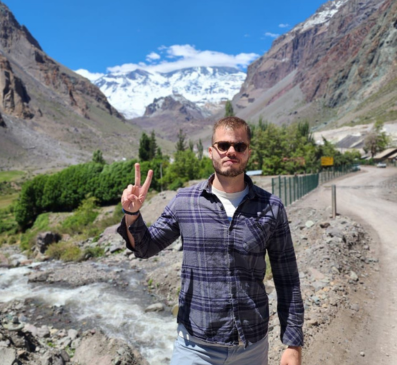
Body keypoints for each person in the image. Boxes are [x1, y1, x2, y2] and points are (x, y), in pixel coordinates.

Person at [117, 116, 304, 365]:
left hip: (251, 347)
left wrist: (293, 343)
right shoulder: (184, 201)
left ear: (248, 152)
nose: (231, 152)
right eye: (223, 145)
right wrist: (132, 214)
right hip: (195, 347)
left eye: (239, 146)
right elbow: (145, 247)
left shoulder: (271, 207)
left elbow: (287, 278)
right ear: (211, 151)